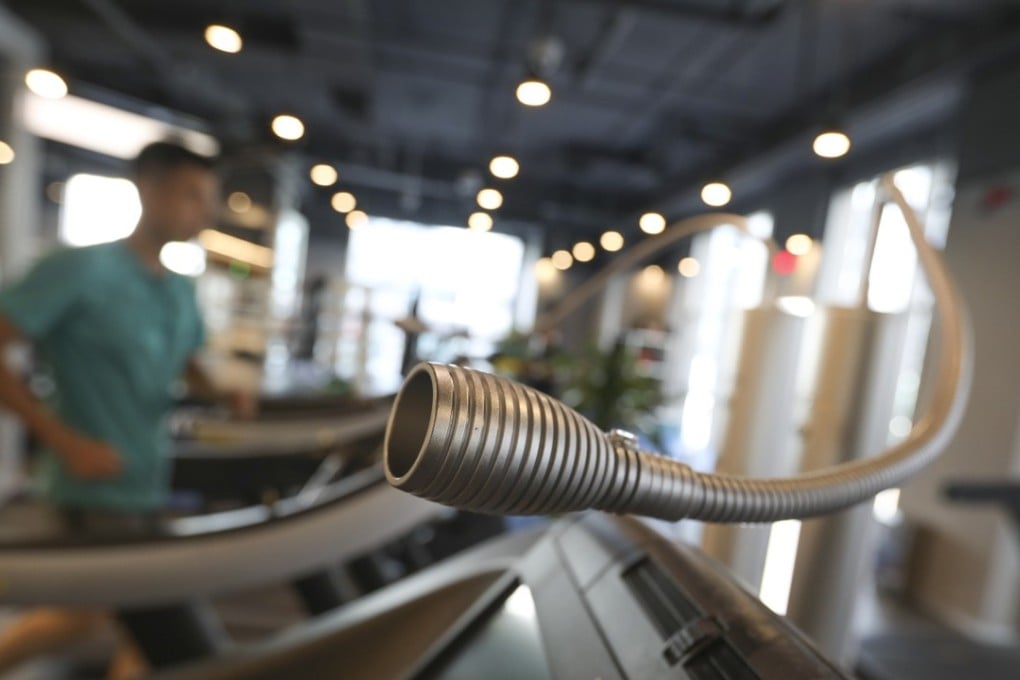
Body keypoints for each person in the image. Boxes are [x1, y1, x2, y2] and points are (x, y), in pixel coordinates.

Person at [0, 141, 254, 677]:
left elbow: (188, 364)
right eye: (192, 195)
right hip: (91, 486)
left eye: (209, 198)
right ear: (149, 190)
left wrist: (222, 393)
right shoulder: (81, 270)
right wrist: (63, 441)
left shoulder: (178, 291)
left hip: (146, 478)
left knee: (142, 618)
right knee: (106, 615)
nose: (204, 211)